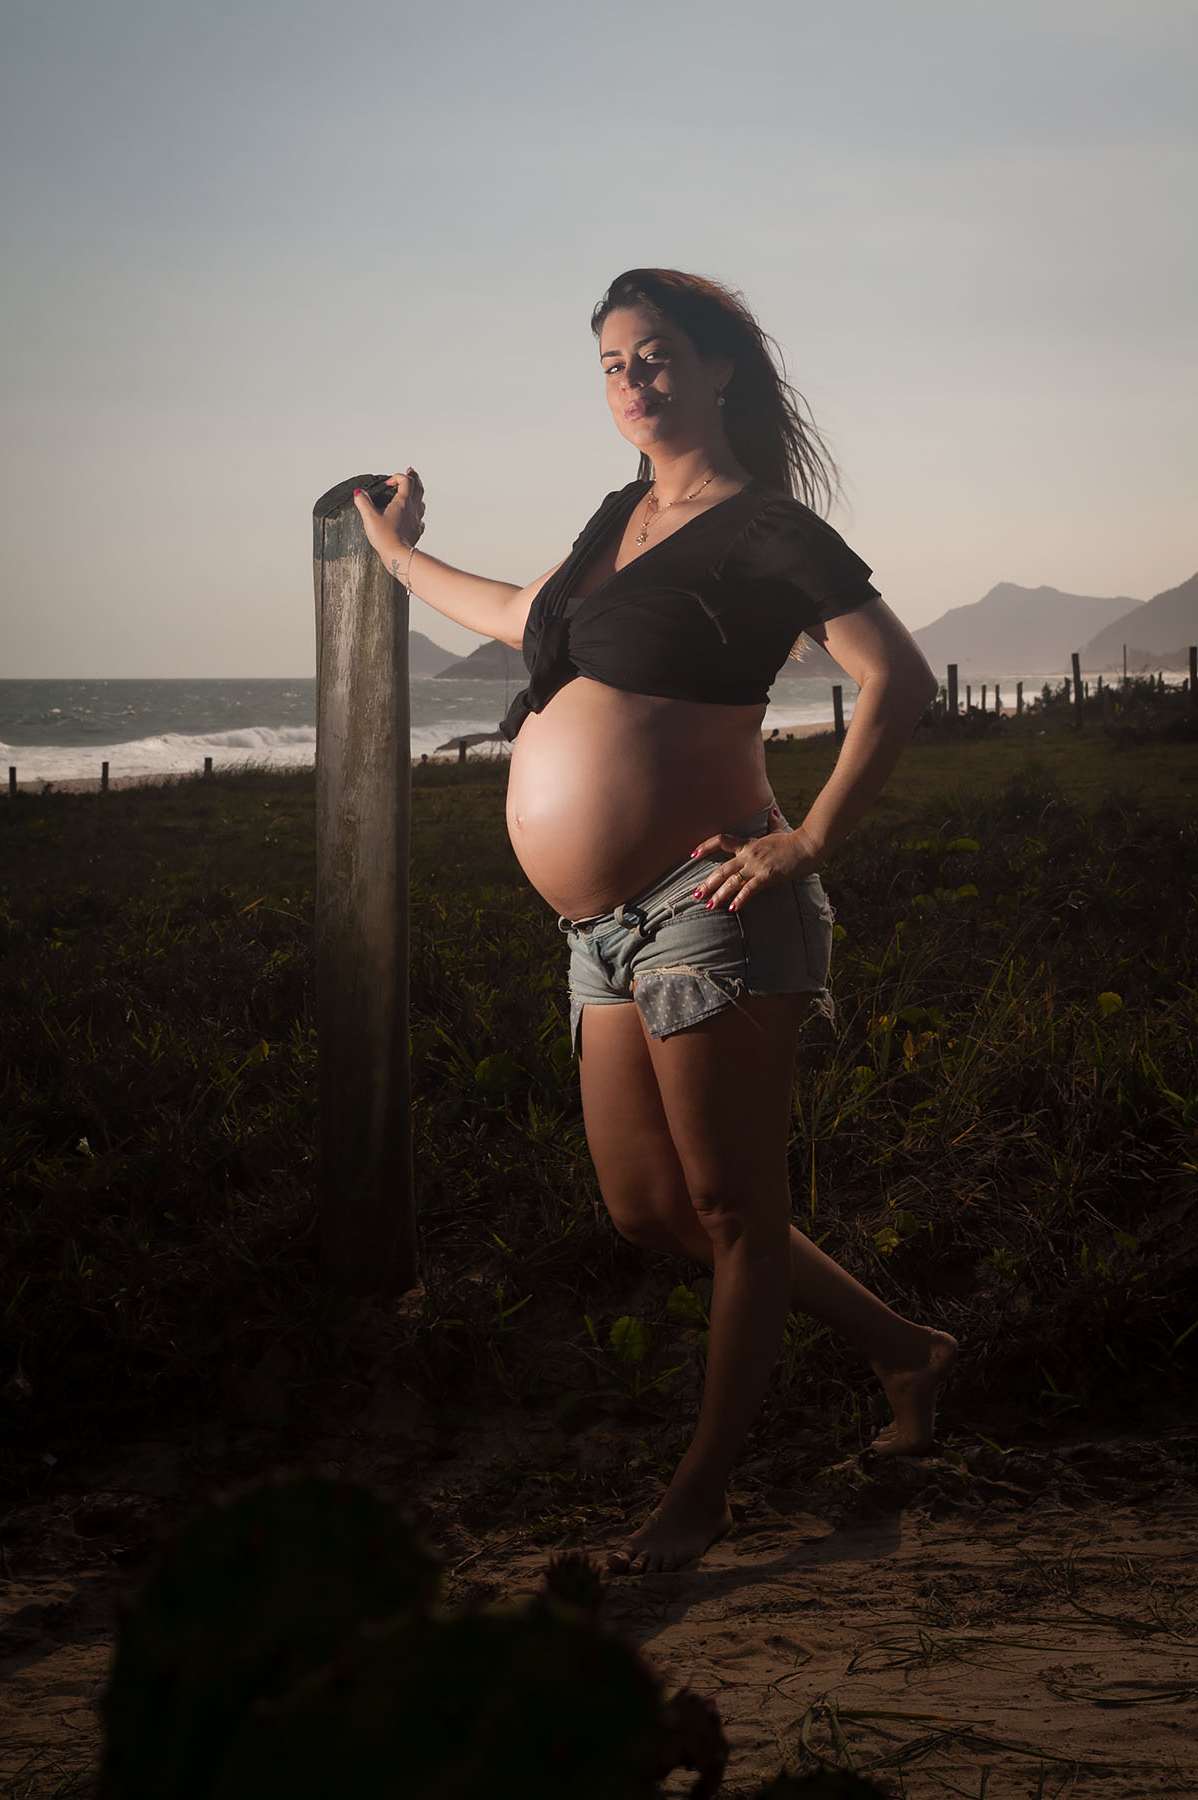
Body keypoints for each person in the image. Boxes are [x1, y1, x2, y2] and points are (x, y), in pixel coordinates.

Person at [354, 268, 958, 1576]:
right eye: (614, 363)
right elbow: (521, 618)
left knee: (735, 1207)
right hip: (601, 932)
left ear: (721, 368)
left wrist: (805, 840)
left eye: (659, 355)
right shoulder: (616, 516)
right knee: (648, 1211)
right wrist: (397, 556)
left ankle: (704, 1492)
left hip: (711, 907)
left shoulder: (767, 529)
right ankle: (908, 1351)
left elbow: (896, 677)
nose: (633, 381)